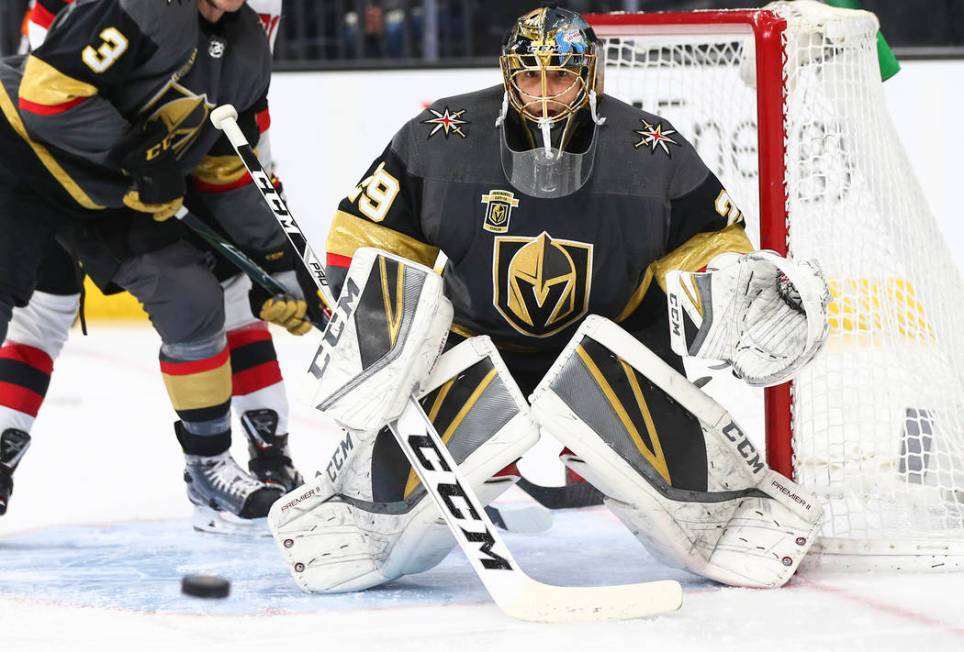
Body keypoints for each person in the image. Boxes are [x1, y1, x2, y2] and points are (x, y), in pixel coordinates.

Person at [271, 6, 830, 592]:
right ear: (508, 74)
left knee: (691, 511)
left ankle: (723, 515)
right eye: (529, 77)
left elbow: (710, 244)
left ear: (590, 76)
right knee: (392, 511)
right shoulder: (442, 136)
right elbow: (368, 236)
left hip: (614, 344)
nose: (543, 94)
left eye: (560, 76)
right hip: (476, 342)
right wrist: (372, 318)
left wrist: (732, 293)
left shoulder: (651, 151)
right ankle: (365, 519)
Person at [0, 0, 322, 533]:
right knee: (25, 305)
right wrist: (133, 155)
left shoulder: (245, 48)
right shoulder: (145, 8)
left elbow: (228, 168)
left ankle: (209, 468)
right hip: (22, 156)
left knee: (193, 297)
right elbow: (45, 94)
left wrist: (277, 259)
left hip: (106, 190)